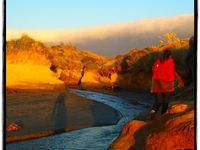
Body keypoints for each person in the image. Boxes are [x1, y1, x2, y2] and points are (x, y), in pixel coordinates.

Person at [150, 49, 184, 115]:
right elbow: (173, 72)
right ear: (170, 56)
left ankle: (153, 111)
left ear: (163, 54)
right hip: (167, 85)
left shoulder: (157, 62)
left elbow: (153, 70)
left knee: (158, 101)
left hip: (157, 84)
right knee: (166, 102)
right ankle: (162, 116)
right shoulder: (171, 63)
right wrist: (179, 80)